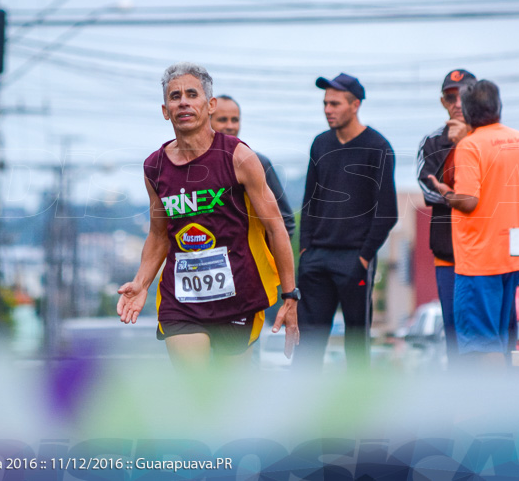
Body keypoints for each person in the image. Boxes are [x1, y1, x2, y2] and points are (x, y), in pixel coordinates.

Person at [117, 63, 299, 368]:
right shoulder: (155, 167)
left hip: (237, 295)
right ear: (165, 110)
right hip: (182, 301)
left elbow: (277, 228)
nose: (184, 102)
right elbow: (159, 235)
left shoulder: (239, 157)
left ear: (209, 105)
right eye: (175, 96)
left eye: (192, 94)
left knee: (228, 398)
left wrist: (290, 294)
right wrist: (142, 282)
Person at [427, 80, 519, 368]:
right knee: (502, 341)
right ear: (498, 107)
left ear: (467, 111)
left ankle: (489, 410)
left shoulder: (470, 145)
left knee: (482, 346)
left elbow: (469, 201)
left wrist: (446, 192)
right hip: (514, 257)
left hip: (479, 260)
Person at [294, 72, 397, 371]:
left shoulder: (377, 146)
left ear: (355, 105)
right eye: (326, 103)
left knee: (356, 342)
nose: (328, 109)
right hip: (316, 259)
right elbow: (309, 202)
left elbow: (387, 211)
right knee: (308, 343)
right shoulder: (320, 144)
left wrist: (364, 256)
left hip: (354, 259)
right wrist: (305, 251)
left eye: (335, 103)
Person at [417, 68, 476, 366]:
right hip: (449, 254)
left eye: (464, 94)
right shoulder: (432, 142)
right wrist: (465, 197)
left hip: (487, 253)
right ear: (443, 102)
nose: (457, 102)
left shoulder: (490, 139)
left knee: (492, 335)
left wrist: (467, 140)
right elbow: (428, 190)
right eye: (450, 97)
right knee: (454, 336)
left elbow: (493, 190)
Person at [211, 95, 296, 241]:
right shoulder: (193, 166)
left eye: (235, 120)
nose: (230, 126)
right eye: (222, 120)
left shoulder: (257, 163)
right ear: (207, 122)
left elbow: (286, 221)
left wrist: (263, 256)